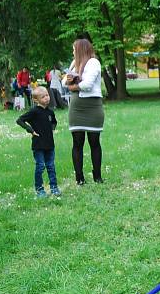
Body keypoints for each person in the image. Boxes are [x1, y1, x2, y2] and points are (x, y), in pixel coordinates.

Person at [66, 39, 104, 185]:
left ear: (81, 49)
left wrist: (73, 86)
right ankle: (79, 178)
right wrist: (70, 80)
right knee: (77, 142)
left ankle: (97, 176)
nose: (73, 52)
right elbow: (65, 82)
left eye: (74, 49)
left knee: (94, 142)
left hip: (93, 107)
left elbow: (87, 85)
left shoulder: (94, 62)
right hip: (76, 108)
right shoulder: (74, 63)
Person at [16, 86, 60, 198]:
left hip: (50, 145)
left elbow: (54, 122)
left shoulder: (50, 112)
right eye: (43, 96)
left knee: (51, 166)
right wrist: (30, 130)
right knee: (40, 167)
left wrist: (52, 128)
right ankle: (40, 189)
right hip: (38, 145)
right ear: (36, 100)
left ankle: (54, 187)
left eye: (47, 95)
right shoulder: (34, 111)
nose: (46, 98)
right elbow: (20, 120)